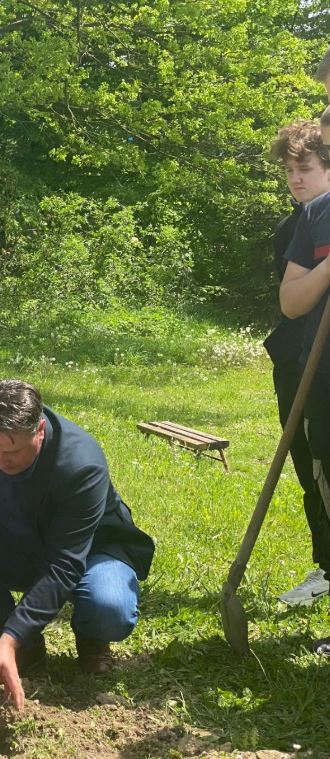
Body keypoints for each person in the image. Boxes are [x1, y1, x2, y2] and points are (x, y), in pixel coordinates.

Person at [0, 380, 155, 709]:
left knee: (109, 607)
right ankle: (27, 644)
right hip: (12, 538)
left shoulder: (81, 465)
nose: (0, 463)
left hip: (91, 551)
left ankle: (92, 635)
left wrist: (10, 638)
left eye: (12, 453)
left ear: (39, 429)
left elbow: (64, 564)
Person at [265, 120, 330, 606]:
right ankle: (327, 565)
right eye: (289, 171)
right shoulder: (295, 226)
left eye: (304, 168)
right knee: (311, 466)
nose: (295, 179)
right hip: (296, 358)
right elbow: (290, 302)